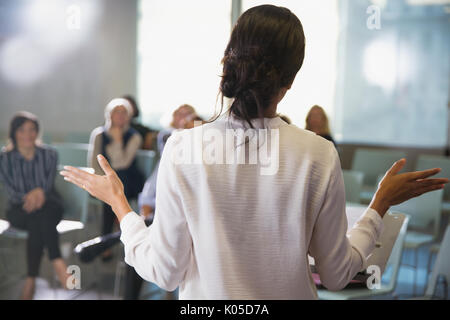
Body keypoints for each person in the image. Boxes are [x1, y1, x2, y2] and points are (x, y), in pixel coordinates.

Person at [61, 5, 449, 299]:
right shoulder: (317, 154)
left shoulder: (184, 146)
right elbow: (335, 275)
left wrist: (120, 207)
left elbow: (165, 271)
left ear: (228, 61)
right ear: (291, 79)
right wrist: (378, 207)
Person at [123, 104, 202, 300]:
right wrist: (147, 206)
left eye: (190, 120)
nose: (185, 124)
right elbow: (152, 186)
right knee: (141, 239)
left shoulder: (202, 161)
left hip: (185, 218)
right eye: (181, 118)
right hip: (158, 213)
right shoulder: (170, 147)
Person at [0, 112, 71, 299]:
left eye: (32, 130)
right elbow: (12, 191)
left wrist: (39, 193)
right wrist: (34, 194)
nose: (27, 134)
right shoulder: (4, 158)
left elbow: (46, 188)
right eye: (22, 130)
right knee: (38, 219)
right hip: (18, 209)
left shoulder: (49, 154)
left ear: (38, 132)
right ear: (14, 133)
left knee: (40, 218)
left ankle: (30, 281)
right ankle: (58, 263)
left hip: (49, 205)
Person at [88, 98, 144, 261]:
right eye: (116, 112)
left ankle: (105, 240)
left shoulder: (134, 136)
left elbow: (122, 163)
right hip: (105, 180)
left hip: (128, 180)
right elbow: (93, 162)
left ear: (129, 116)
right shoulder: (98, 134)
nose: (120, 116)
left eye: (123, 112)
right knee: (110, 191)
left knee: (112, 192)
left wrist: (117, 140)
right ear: (109, 115)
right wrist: (103, 180)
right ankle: (114, 234)